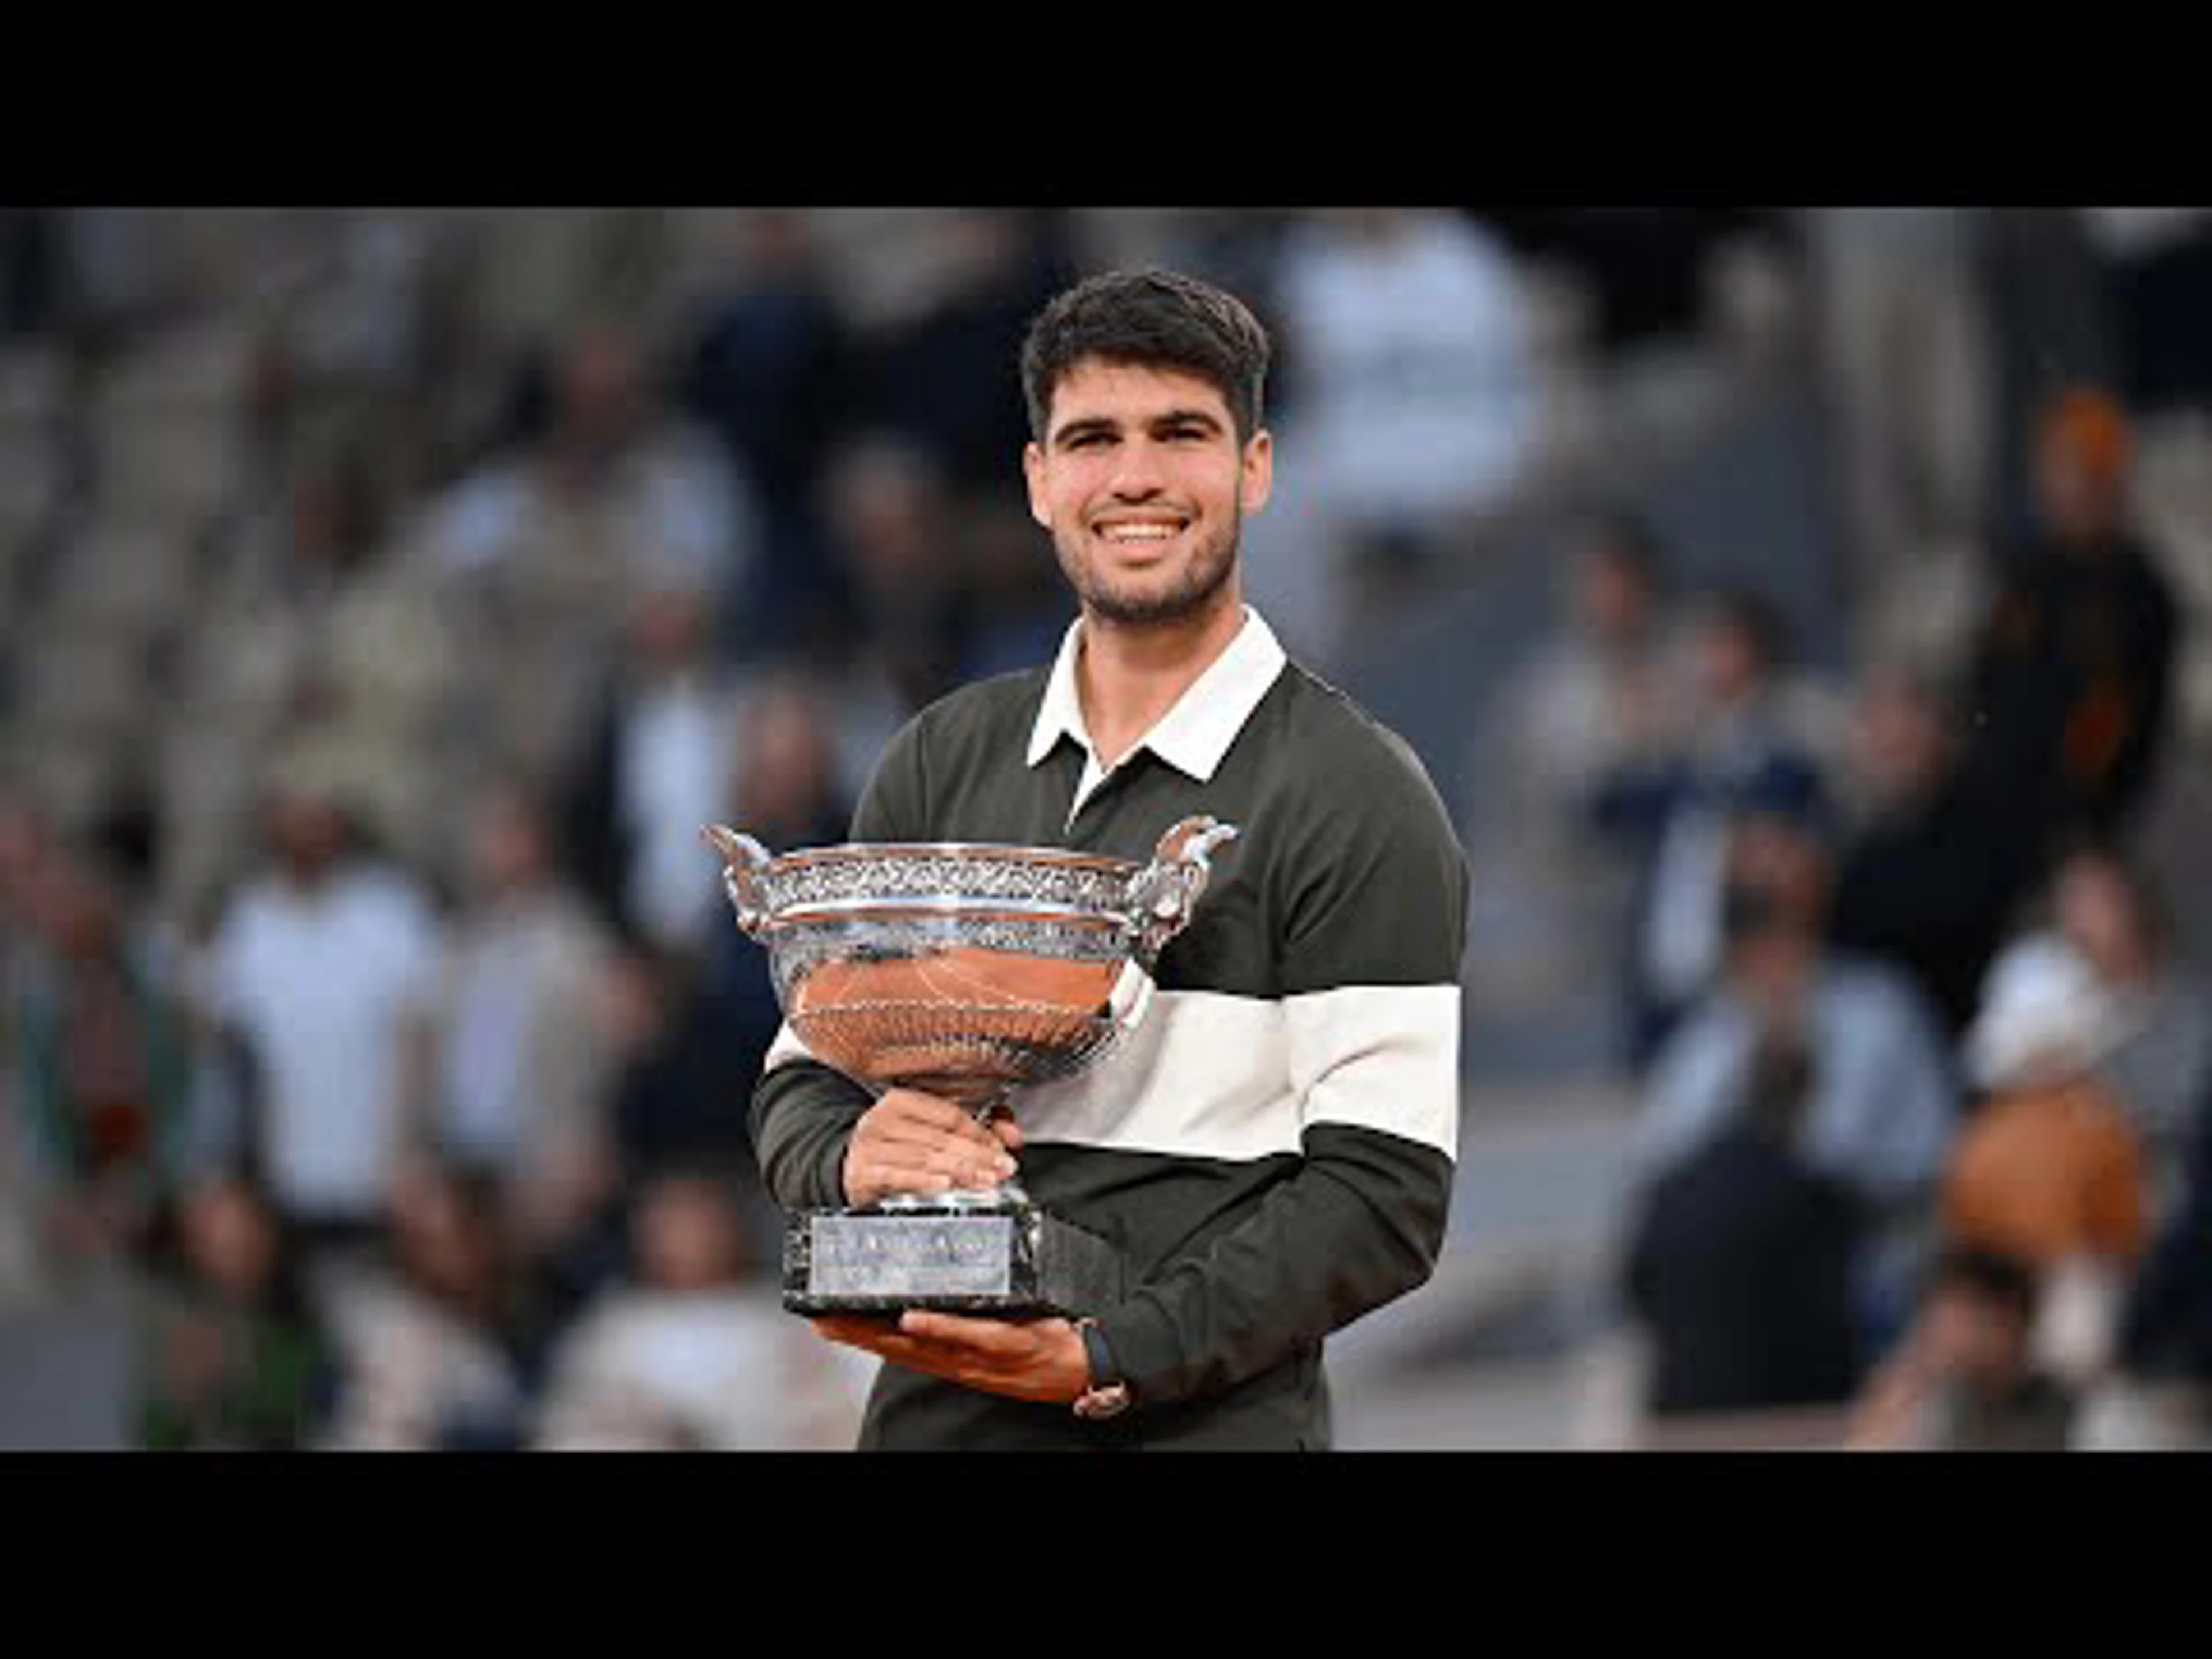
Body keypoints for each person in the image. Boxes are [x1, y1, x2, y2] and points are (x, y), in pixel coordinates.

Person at [747, 268, 1469, 1450]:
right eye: (1092, 438)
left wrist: (1105, 1355)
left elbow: (1383, 1197)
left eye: (1180, 432)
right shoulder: (940, 757)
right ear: (1039, 482)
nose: (1134, 477)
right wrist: (848, 1152)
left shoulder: (1357, 791)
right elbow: (803, 1077)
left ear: (1257, 467)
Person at [1844, 1244, 2078, 1452]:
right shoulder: (1938, 1402)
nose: (1946, 1336)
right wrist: (1892, 1400)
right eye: (1940, 1320)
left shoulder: (2078, 1411)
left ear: (2012, 1320)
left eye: (1962, 1318)